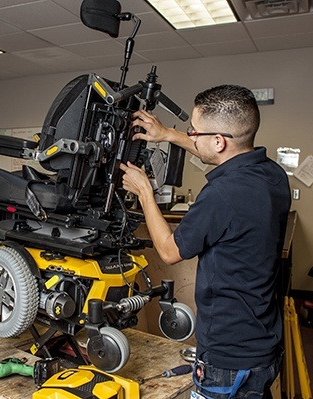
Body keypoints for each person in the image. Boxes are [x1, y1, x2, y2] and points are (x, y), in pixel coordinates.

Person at [120, 84, 291, 399]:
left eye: (193, 132)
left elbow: (170, 251)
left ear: (218, 141)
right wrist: (169, 134)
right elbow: (214, 146)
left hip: (227, 358)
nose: (191, 136)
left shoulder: (221, 196)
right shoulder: (273, 176)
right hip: (263, 346)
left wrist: (144, 191)